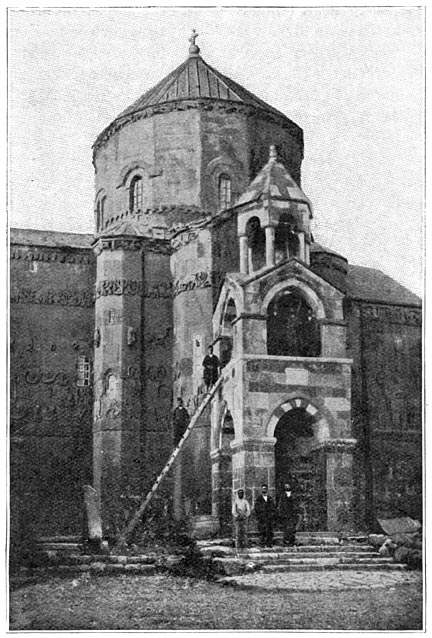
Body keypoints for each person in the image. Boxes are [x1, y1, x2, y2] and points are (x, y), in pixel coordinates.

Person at [278, 482, 298, 546]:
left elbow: (296, 504)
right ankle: (286, 541)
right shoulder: (282, 496)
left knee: (292, 528)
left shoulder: (294, 495)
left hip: (292, 514)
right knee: (286, 528)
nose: (287, 487)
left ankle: (292, 541)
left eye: (288, 486)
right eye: (285, 486)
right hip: (285, 514)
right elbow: (280, 505)